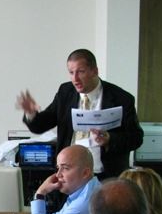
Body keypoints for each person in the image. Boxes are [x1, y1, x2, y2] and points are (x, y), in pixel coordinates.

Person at [16, 49, 143, 179]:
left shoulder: (121, 98)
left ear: (95, 71)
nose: (75, 79)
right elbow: (41, 126)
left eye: (81, 72)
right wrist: (31, 113)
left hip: (106, 176)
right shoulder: (65, 92)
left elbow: (136, 138)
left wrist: (109, 139)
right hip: (69, 176)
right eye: (71, 73)